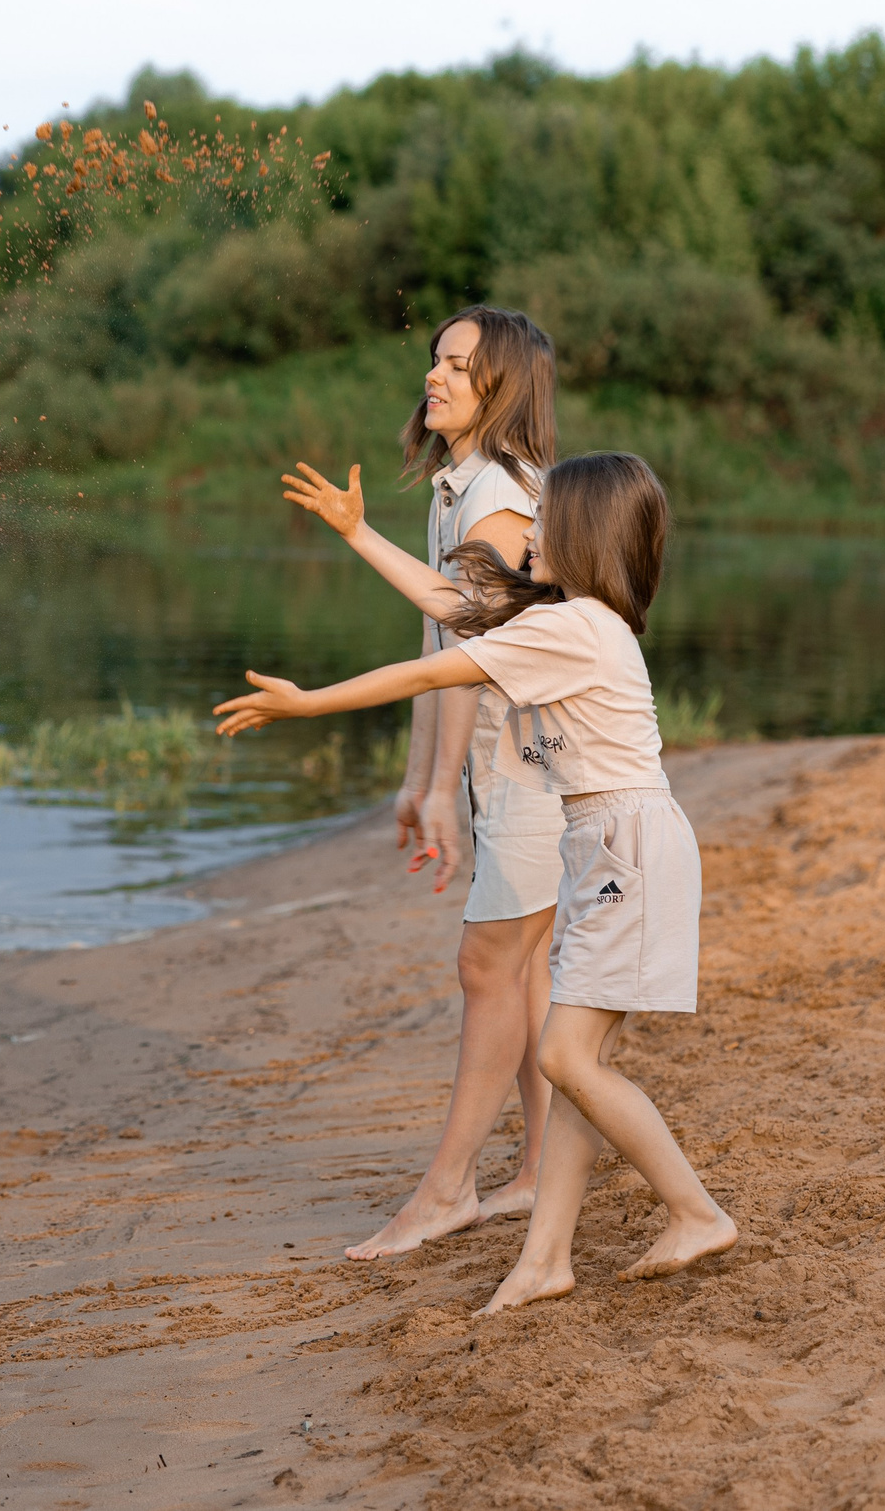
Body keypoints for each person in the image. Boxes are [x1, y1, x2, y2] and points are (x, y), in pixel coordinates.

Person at [217, 451, 735, 1314]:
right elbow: (450, 607)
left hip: (626, 848)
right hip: (604, 847)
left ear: (581, 536)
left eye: (544, 523)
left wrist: (308, 704)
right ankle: (545, 1259)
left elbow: (430, 668)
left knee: (567, 1056)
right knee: (576, 1062)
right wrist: (358, 533)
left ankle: (696, 1209)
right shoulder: (565, 617)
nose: (526, 534)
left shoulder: (574, 627)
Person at [342, 305, 563, 1259]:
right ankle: (542, 1169)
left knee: (487, 967)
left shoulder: (501, 498)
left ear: (501, 386)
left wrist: (443, 791)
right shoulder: (456, 487)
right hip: (510, 769)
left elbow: (473, 650)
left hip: (532, 771)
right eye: (436, 359)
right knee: (525, 972)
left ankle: (449, 1188)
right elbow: (434, 641)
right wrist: (415, 777)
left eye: (460, 366)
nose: (436, 376)